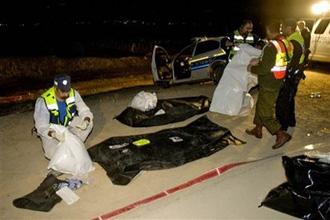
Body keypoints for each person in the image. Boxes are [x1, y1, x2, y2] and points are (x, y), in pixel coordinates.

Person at [246, 20, 292, 150]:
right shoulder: (284, 43)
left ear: (270, 31)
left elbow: (264, 68)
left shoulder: (271, 46)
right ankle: (258, 129)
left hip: (269, 83)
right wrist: (260, 59)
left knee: (265, 112)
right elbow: (276, 61)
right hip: (277, 81)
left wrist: (251, 68)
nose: (266, 33)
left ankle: (280, 133)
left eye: (267, 31)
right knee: (261, 105)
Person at [34, 74, 93, 160]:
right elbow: (41, 126)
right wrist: (53, 134)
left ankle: (75, 144)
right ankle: (65, 145)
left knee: (89, 122)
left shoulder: (73, 93)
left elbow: (84, 110)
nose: (66, 93)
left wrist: (86, 120)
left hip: (68, 123)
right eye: (63, 91)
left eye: (67, 90)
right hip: (52, 129)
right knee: (54, 155)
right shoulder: (43, 101)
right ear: (55, 88)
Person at [276, 19, 305, 131]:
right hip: (297, 72)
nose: (281, 29)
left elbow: (294, 59)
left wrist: (286, 73)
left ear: (289, 28)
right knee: (290, 97)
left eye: (283, 27)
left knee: (283, 99)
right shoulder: (298, 36)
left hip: (292, 74)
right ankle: (291, 121)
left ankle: (282, 126)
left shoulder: (293, 41)